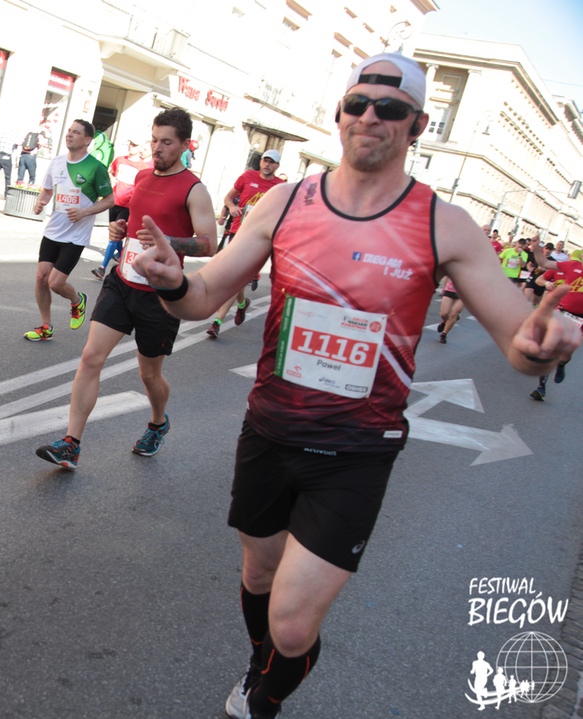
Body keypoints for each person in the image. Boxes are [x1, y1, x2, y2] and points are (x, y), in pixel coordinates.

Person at [130, 53, 580, 719]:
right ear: (339, 114)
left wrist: (540, 350)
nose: (370, 116)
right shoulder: (285, 202)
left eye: (390, 108)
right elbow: (202, 298)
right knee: (258, 575)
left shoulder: (443, 224)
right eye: (357, 103)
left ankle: (264, 697)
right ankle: (260, 665)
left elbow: (519, 343)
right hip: (270, 430)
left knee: (291, 625)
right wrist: (172, 281)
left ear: (417, 124)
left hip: (356, 451)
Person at [36, 107, 215, 468]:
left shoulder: (194, 189)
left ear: (184, 145)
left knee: (149, 374)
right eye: (155, 140)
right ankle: (71, 443)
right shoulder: (144, 177)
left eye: (167, 142)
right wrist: (119, 230)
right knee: (90, 357)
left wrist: (170, 242)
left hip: (161, 297)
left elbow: (209, 243)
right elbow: (129, 221)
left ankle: (158, 422)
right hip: (122, 282)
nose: (158, 148)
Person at [23, 120, 114, 342]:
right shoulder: (56, 163)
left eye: (76, 132)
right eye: (69, 131)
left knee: (55, 283)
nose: (70, 135)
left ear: (87, 140)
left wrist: (85, 212)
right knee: (41, 277)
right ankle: (46, 326)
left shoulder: (95, 167)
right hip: (53, 231)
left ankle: (77, 300)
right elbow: (47, 190)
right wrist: (41, 202)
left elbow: (110, 200)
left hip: (75, 236)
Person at [206, 149, 285, 339]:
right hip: (237, 232)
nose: (267, 165)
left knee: (236, 278)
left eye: (272, 162)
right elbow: (228, 197)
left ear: (277, 166)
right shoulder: (247, 177)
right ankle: (241, 304)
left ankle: (217, 323)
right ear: (261, 162)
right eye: (265, 160)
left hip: (259, 238)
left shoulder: (280, 187)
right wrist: (232, 207)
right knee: (237, 277)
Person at [92, 140, 150, 280]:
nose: (131, 146)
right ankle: (122, 255)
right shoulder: (120, 160)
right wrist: (111, 179)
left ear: (140, 148)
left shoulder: (144, 168)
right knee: (115, 235)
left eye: (135, 145)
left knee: (113, 238)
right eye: (130, 144)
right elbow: (110, 172)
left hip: (128, 205)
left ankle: (102, 268)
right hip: (114, 201)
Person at [528, 249, 582, 401]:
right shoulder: (571, 266)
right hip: (562, 312)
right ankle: (541, 387)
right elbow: (544, 263)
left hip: (580, 320)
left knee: (566, 354)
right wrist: (536, 248)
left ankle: (562, 364)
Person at [436, 278, 465, 343]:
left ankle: (444, 334)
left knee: (454, 314)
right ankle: (445, 321)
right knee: (443, 314)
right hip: (450, 289)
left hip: (464, 293)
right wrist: (444, 289)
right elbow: (447, 276)